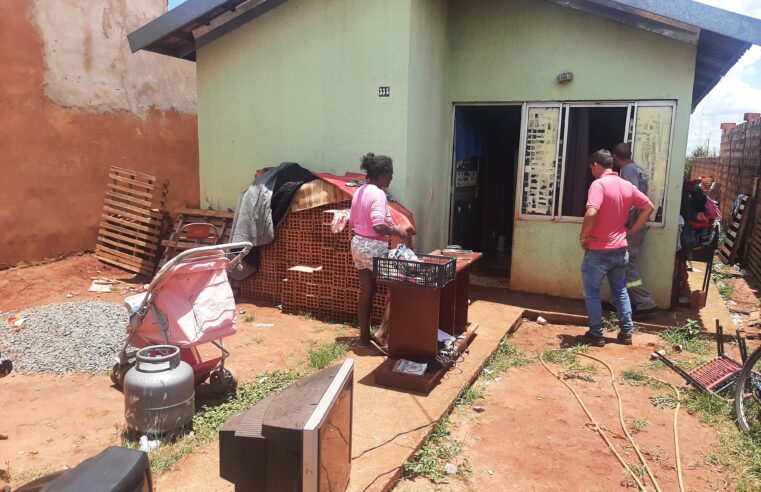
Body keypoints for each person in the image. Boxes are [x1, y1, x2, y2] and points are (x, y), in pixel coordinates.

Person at [578, 149, 654, 347]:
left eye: (591, 168)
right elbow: (648, 207)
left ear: (596, 165)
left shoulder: (599, 184)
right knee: (620, 290)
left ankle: (596, 334)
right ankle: (627, 332)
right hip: (620, 249)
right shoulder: (626, 185)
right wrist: (632, 230)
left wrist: (583, 235)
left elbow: (591, 211)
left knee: (592, 292)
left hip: (598, 250)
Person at [349, 153, 412, 349]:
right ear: (383, 174)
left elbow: (354, 220)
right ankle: (383, 334)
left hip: (358, 244)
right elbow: (378, 225)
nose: (392, 178)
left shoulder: (360, 191)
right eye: (391, 174)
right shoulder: (377, 194)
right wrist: (397, 230)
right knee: (400, 286)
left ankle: (363, 338)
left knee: (366, 291)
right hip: (373, 246)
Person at [611, 143, 658, 318]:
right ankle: (617, 301)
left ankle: (646, 303)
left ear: (616, 157)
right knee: (621, 263)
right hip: (639, 223)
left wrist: (624, 222)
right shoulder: (638, 169)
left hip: (634, 225)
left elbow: (630, 198)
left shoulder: (628, 171)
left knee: (627, 263)